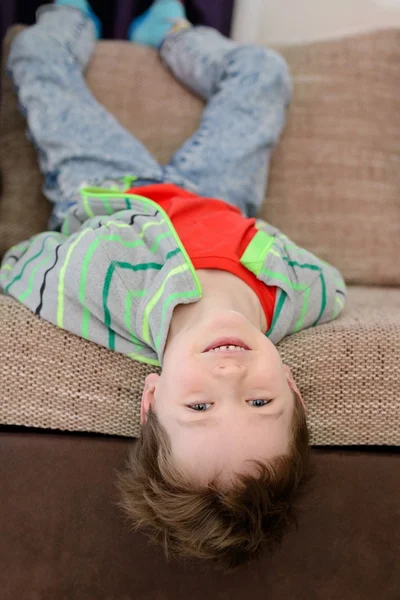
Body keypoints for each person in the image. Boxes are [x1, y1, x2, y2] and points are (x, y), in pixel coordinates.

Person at [0, 0, 347, 570]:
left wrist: (78, 236)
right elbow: (332, 284)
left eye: (200, 404)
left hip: (110, 184)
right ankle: (171, 32)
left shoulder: (108, 292)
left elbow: (20, 263)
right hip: (218, 191)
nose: (229, 377)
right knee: (264, 72)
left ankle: (73, 16)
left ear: (153, 398)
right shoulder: (295, 300)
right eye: (260, 401)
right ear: (294, 389)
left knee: (34, 51)